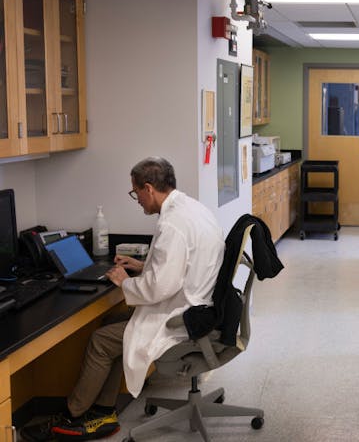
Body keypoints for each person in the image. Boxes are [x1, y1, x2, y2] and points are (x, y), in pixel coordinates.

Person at [22, 157, 225, 441]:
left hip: (181, 316)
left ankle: (73, 415)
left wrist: (125, 282)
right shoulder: (191, 208)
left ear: (149, 188)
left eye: (135, 193)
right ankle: (104, 411)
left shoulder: (172, 224)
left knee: (101, 341)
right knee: (112, 323)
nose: (137, 200)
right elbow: (181, 266)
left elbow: (159, 289)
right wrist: (144, 266)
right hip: (197, 304)